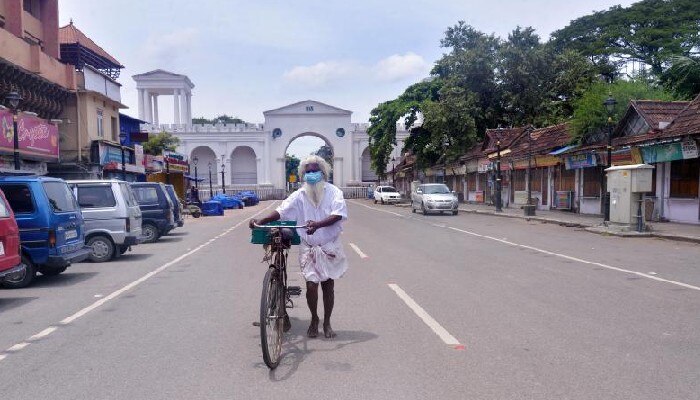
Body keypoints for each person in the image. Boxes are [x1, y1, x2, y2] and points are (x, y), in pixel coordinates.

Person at [249, 155, 348, 339]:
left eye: (314, 171)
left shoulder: (334, 192)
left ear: (323, 172)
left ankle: (327, 322)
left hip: (329, 246)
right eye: (308, 172)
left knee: (328, 285)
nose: (311, 175)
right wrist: (261, 220)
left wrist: (317, 224)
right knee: (311, 285)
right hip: (308, 247)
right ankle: (314, 319)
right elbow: (282, 210)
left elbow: (338, 214)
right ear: (303, 175)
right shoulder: (300, 194)